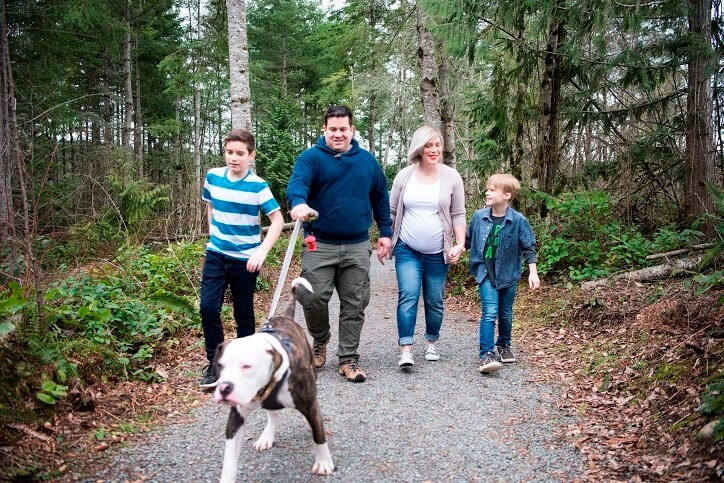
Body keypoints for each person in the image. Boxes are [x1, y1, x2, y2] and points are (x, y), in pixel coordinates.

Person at [287, 105, 392, 383]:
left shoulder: (367, 161)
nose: (338, 134)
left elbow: (381, 198)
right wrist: (299, 204)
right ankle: (320, 339)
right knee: (312, 296)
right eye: (332, 129)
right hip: (319, 243)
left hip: (357, 244)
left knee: (355, 303)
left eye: (343, 129)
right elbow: (297, 186)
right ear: (324, 130)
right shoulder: (311, 158)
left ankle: (348, 358)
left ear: (351, 130)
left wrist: (385, 233)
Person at [198, 128, 284, 388]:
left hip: (246, 259)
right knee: (208, 308)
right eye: (229, 152)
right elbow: (210, 205)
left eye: (240, 153)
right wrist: (213, 232)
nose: (233, 158)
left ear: (251, 155)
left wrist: (261, 251)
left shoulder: (258, 186)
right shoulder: (213, 177)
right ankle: (215, 363)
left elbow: (278, 220)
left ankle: (247, 364)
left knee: (243, 313)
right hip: (216, 254)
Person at [388, 125, 466, 368]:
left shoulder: (452, 177)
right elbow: (391, 213)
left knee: (434, 299)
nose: (434, 150)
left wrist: (460, 244)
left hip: (437, 252)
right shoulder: (404, 176)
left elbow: (458, 214)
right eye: (429, 145)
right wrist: (385, 240)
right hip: (406, 248)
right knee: (408, 295)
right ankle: (406, 348)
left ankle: (431, 342)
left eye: (437, 145)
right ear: (419, 149)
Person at [465, 173, 540, 374]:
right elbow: (467, 240)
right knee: (489, 312)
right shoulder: (478, 217)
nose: (487, 193)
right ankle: (486, 354)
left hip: (509, 274)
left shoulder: (518, 221)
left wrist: (533, 272)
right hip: (485, 272)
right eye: (487, 189)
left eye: (492, 190)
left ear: (507, 195)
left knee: (505, 313)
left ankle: (504, 344)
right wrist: (456, 250)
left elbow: (528, 247)